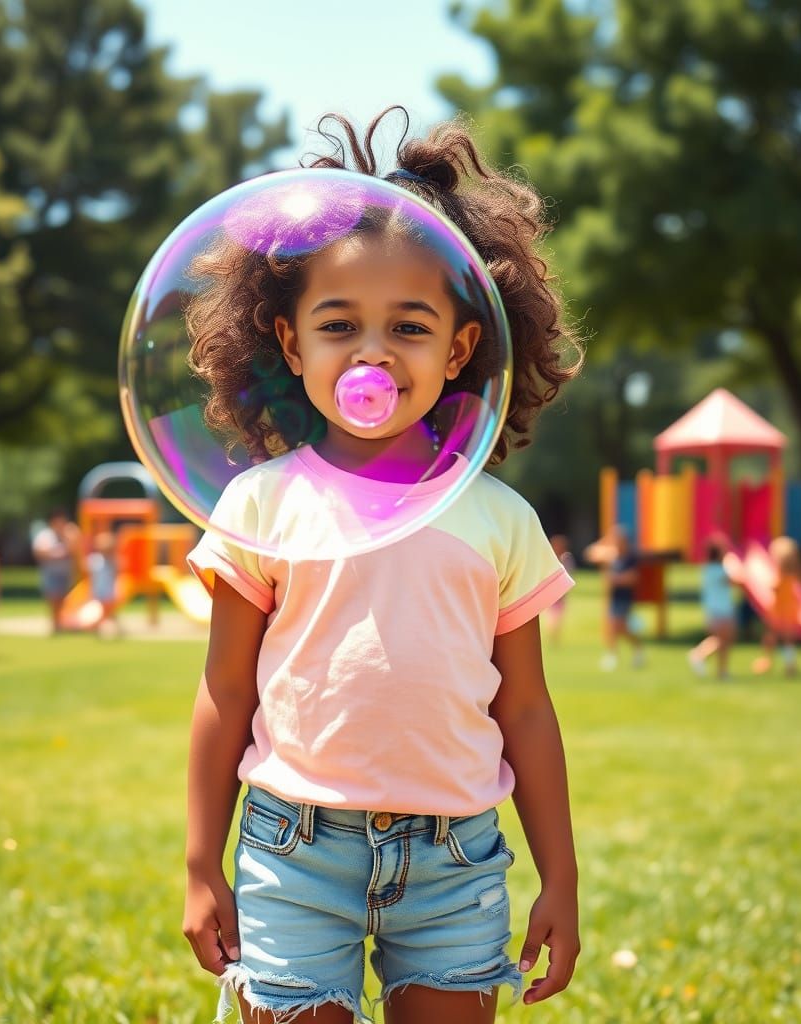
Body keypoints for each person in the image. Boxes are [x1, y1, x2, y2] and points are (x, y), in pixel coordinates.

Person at [182, 109, 583, 1024]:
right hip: (293, 848)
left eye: (409, 325)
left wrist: (559, 875)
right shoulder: (263, 506)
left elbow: (523, 706)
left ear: (461, 347)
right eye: (338, 324)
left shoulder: (498, 521)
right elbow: (225, 690)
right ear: (291, 344)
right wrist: (203, 862)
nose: (372, 353)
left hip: (455, 858)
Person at [584, 524, 644, 672]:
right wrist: (605, 541)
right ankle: (614, 655)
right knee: (613, 627)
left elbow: (634, 578)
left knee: (621, 628)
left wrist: (616, 579)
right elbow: (589, 553)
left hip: (625, 598)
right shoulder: (612, 555)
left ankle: (635, 650)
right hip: (614, 598)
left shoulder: (630, 557)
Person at [752, 535, 801, 677]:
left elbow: (776, 587)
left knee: (771, 637)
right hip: (790, 610)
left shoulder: (780, 574)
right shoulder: (795, 572)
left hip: (779, 611)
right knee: (787, 641)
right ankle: (789, 665)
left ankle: (767, 661)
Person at [688, 535, 737, 680]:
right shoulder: (719, 570)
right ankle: (699, 654)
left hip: (715, 610)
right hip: (721, 611)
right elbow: (734, 581)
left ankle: (722, 671)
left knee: (723, 641)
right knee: (723, 641)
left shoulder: (709, 569)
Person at [31, 508, 81, 633]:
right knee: (53, 598)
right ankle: (55, 624)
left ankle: (60, 623)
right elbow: (39, 552)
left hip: (65, 572)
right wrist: (54, 554)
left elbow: (76, 548)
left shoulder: (69, 534)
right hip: (51, 572)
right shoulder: (45, 535)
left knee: (64, 600)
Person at [86, 530, 120, 637]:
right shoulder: (95, 560)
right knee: (100, 611)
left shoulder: (112, 561)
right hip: (98, 590)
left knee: (109, 611)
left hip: (108, 590)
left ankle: (110, 627)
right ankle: (99, 627)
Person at [544, 535, 576, 645]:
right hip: (550, 593)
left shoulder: (566, 559)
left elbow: (569, 573)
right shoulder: (549, 557)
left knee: (556, 617)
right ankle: (553, 636)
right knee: (551, 617)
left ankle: (554, 637)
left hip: (560, 594)